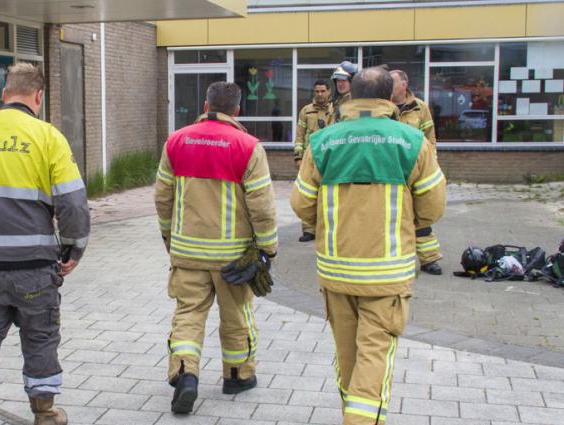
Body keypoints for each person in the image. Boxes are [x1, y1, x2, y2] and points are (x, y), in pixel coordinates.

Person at [291, 67, 445, 425]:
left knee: (348, 356)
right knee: (374, 355)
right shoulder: (411, 142)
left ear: (349, 94)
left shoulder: (323, 141)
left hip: (336, 272)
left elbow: (300, 204)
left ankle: (353, 415)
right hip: (386, 275)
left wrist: (326, 225)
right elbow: (433, 208)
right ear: (391, 97)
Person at [0, 63, 89, 425]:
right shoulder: (47, 136)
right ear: (38, 96)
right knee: (40, 337)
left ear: (4, 93)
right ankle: (45, 414)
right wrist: (73, 247)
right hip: (34, 267)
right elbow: (72, 203)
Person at [155, 82, 278, 414]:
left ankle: (185, 374)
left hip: (187, 254)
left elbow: (162, 198)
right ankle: (237, 376)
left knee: (188, 314)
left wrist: (170, 240)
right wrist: (267, 249)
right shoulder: (249, 147)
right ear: (237, 110)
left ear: (206, 103)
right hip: (233, 259)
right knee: (237, 316)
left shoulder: (176, 142)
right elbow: (262, 207)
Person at [390, 70, 443, 275]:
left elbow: (430, 139)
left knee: (421, 214)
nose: (389, 87)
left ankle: (429, 258)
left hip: (416, 169)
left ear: (404, 84)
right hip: (393, 169)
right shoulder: (384, 108)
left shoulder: (420, 108)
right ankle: (397, 258)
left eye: (392, 83)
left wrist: (431, 165)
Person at [294, 79, 332, 242]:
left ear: (329, 91)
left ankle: (325, 228)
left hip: (329, 157)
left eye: (323, 91)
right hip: (310, 158)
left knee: (327, 194)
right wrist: (298, 156)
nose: (320, 94)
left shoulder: (334, 110)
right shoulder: (306, 111)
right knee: (308, 193)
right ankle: (309, 229)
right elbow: (300, 135)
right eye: (317, 91)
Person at [328, 61, 358, 125]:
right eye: (338, 81)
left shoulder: (355, 102)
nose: (340, 84)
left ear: (351, 82)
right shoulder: (335, 102)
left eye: (343, 80)